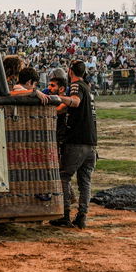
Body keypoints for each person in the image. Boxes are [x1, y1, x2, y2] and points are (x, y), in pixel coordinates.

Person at [50, 59, 98, 229]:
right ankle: (82, 216)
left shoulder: (76, 86)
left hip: (77, 140)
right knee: (85, 181)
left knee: (64, 176)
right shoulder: (88, 88)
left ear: (70, 72)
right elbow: (66, 107)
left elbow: (74, 102)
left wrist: (56, 97)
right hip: (91, 142)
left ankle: (64, 215)